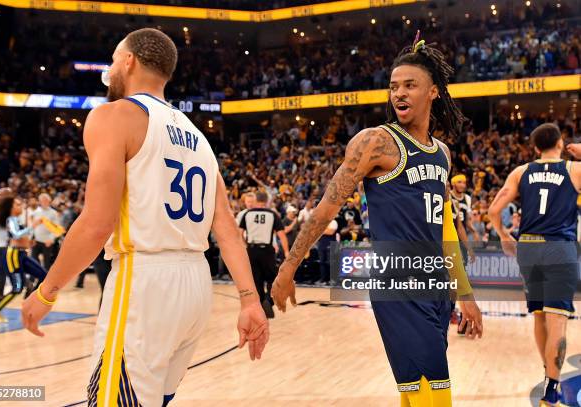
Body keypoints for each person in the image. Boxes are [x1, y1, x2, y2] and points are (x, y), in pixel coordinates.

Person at [21, 28, 268, 407]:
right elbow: (228, 231)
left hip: (145, 282)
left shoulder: (114, 115)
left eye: (114, 58)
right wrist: (249, 301)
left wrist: (47, 291)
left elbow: (96, 223)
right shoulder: (198, 136)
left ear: (129, 60)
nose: (110, 68)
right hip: (195, 286)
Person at [272, 34, 483, 406]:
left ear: (433, 92)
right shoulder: (377, 142)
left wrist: (465, 294)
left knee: (415, 395)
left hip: (437, 284)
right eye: (393, 86)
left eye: (410, 85)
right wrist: (288, 267)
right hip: (399, 280)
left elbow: (447, 227)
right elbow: (326, 208)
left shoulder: (443, 154)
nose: (399, 93)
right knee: (434, 395)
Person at [488, 123, 580, 407]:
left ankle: (547, 374)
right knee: (558, 321)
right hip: (558, 248)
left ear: (536, 148)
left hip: (527, 247)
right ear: (561, 143)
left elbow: (493, 210)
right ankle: (551, 391)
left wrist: (504, 236)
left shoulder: (521, 171)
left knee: (540, 316)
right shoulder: (574, 170)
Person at [0, 196, 47, 324]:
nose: (20, 206)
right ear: (10, 208)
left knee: (44, 275)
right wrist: (33, 226)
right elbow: (15, 235)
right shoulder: (11, 219)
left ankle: (30, 303)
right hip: (13, 255)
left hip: (22, 254)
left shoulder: (16, 219)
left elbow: (20, 237)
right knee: (17, 287)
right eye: (17, 205)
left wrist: (28, 242)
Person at [239, 191, 289, 318]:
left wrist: (246, 245)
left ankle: (262, 307)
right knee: (274, 280)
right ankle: (268, 300)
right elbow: (281, 235)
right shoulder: (272, 214)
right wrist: (287, 252)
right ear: (266, 201)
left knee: (257, 281)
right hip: (267, 250)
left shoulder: (247, 214)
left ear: (256, 200)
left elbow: (239, 234)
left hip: (252, 250)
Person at [31, 193, 60, 271]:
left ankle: (44, 280)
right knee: (33, 260)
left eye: (46, 200)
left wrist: (51, 239)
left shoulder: (53, 213)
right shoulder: (36, 212)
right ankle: (33, 279)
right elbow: (32, 226)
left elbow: (56, 228)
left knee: (46, 262)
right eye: (42, 200)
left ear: (49, 201)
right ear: (39, 201)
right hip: (36, 240)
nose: (44, 202)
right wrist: (32, 238)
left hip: (47, 241)